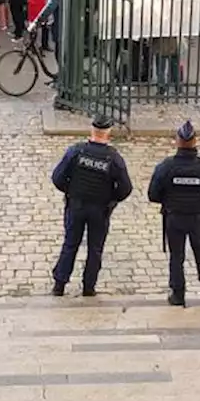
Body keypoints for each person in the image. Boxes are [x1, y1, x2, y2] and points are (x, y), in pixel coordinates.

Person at [50, 115, 134, 297]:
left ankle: (60, 284)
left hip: (76, 205)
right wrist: (111, 199)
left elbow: (57, 178)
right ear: (108, 133)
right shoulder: (113, 158)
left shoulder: (76, 152)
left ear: (92, 130)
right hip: (100, 209)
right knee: (95, 248)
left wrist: (70, 191)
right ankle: (89, 287)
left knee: (70, 244)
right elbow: (126, 188)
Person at [148, 121, 200, 306]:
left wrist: (170, 200)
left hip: (174, 217)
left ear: (177, 141)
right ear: (195, 141)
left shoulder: (166, 167)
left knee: (176, 256)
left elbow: (153, 194)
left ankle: (177, 294)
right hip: (198, 218)